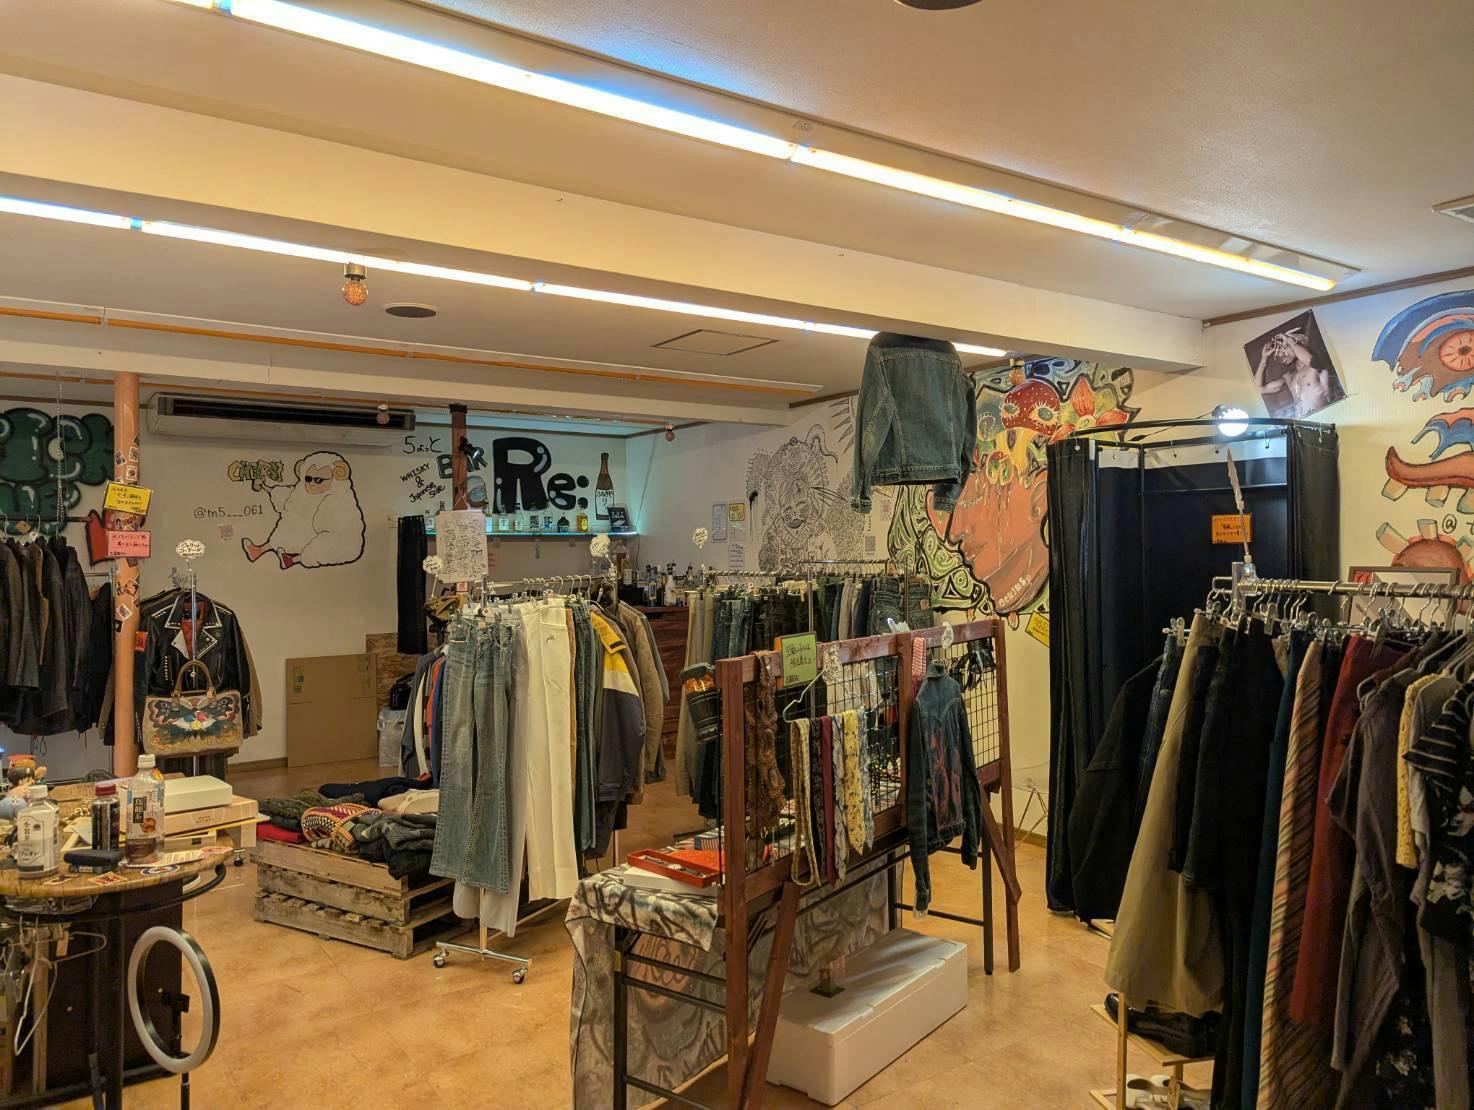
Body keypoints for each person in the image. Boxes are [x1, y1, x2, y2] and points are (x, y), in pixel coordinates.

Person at [1255, 329, 1336, 416]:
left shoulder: (1319, 363)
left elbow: (1310, 360)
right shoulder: (1289, 377)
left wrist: (1289, 340)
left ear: (1300, 342)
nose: (1281, 354)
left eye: (1285, 347)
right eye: (1279, 350)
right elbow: (1259, 388)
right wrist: (1264, 359)